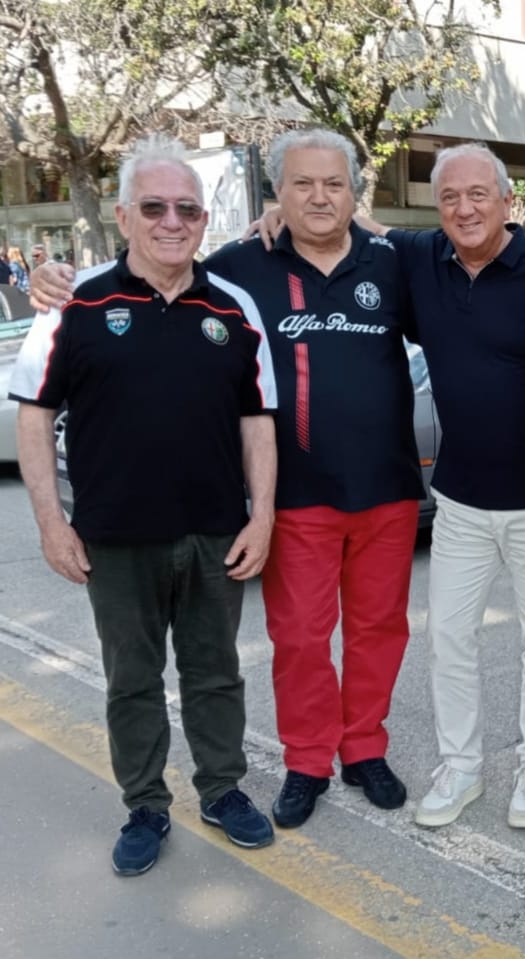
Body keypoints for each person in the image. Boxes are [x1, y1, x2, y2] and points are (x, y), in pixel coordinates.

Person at [28, 128, 424, 832]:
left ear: (355, 192)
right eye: (301, 183)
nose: (318, 196)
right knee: (300, 638)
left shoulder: (393, 263)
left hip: (385, 486)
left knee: (377, 629)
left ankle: (363, 748)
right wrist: (49, 281)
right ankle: (306, 761)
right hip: (295, 496)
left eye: (334, 182)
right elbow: (153, 281)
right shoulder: (242, 267)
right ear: (277, 193)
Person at [252, 142, 525, 830]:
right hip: (453, 498)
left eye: (478, 195)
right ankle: (450, 764)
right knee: (445, 639)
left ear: (506, 200)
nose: (464, 209)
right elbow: (341, 226)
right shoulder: (417, 259)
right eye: (450, 198)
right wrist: (270, 215)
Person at [9, 134, 279, 876]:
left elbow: (258, 418)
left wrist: (262, 515)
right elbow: (34, 413)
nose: (172, 220)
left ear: (201, 219)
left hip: (214, 530)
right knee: (132, 677)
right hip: (115, 537)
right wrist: (50, 523)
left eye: (187, 208)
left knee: (215, 671)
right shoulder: (76, 301)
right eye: (154, 206)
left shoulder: (235, 306)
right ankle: (145, 805)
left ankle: (222, 789)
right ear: (124, 215)